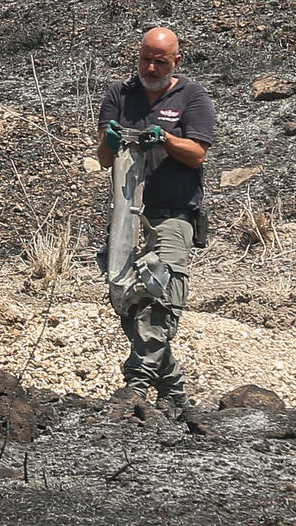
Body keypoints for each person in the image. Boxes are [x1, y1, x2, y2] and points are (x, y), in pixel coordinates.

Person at [97, 27, 216, 413]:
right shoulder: (120, 94)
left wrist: (164, 138)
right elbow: (102, 157)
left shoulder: (192, 96)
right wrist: (110, 141)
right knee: (124, 294)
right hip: (126, 210)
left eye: (160, 61)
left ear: (176, 61)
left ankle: (137, 382)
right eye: (145, 58)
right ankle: (173, 386)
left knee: (162, 290)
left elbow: (197, 153)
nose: (151, 67)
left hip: (173, 211)